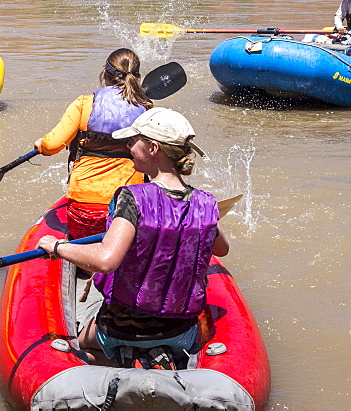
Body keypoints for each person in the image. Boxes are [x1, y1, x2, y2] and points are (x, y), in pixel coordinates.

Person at [37, 107, 227, 367]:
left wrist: (57, 246)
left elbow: (105, 261)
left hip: (121, 329)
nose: (128, 146)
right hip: (180, 333)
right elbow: (222, 249)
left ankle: (111, 362)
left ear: (153, 149)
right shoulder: (206, 203)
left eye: (133, 140)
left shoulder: (132, 197)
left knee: (80, 344)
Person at [34, 48, 153, 240]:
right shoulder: (147, 109)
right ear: (136, 77)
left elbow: (51, 146)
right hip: (128, 206)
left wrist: (40, 144)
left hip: (85, 206)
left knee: (85, 244)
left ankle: (85, 263)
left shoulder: (84, 104)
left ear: (105, 74)